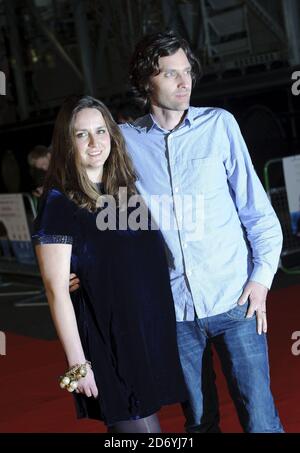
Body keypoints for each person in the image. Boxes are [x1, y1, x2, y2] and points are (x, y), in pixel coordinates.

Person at [119, 31, 284, 433]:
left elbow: (259, 214)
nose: (184, 82)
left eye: (187, 72)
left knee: (261, 421)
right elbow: (100, 213)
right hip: (172, 312)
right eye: (170, 73)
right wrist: (76, 262)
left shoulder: (219, 126)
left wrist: (260, 281)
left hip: (236, 302)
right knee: (198, 424)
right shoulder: (124, 142)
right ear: (145, 81)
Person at [32, 95, 187, 433]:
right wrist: (77, 364)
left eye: (101, 131)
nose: (93, 143)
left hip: (143, 336)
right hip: (107, 342)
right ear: (66, 142)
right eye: (81, 134)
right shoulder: (59, 203)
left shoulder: (124, 191)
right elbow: (56, 290)